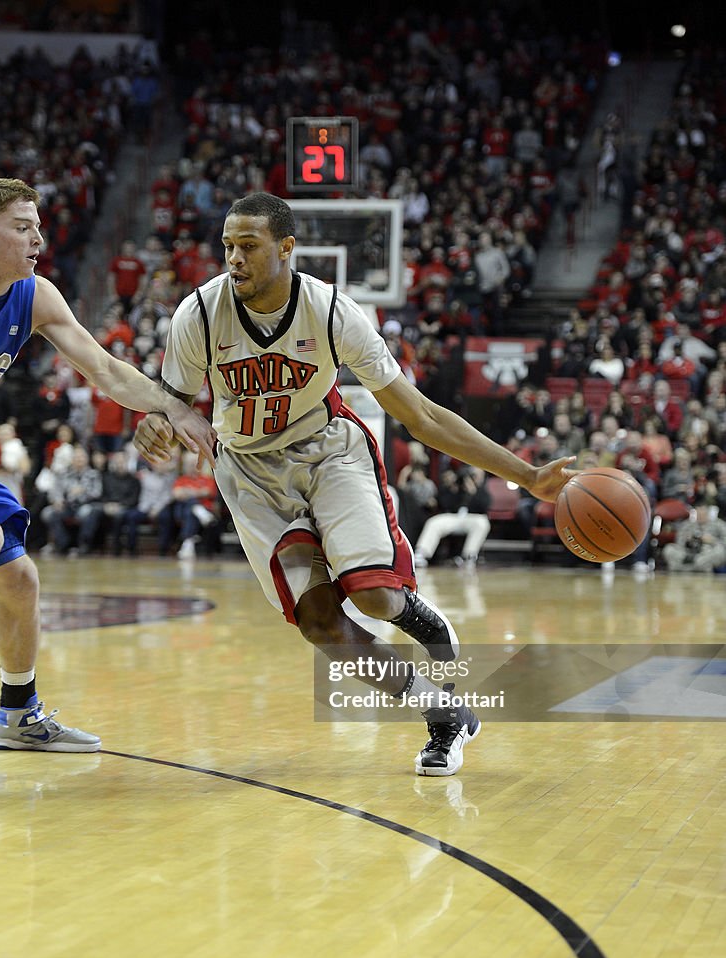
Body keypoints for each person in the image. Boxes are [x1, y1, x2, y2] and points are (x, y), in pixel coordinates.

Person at [133, 193, 574, 777]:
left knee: (373, 597)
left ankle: (416, 614)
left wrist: (526, 474)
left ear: (286, 248)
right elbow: (174, 406)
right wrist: (156, 425)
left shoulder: (334, 311)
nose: (233, 259)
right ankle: (443, 714)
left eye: (248, 247)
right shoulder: (198, 314)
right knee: (319, 624)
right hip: (249, 471)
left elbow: (423, 417)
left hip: (328, 454)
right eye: (227, 247)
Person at [0, 178, 215, 752]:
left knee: (19, 579)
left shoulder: (35, 296)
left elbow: (106, 370)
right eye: (22, 227)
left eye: (38, 225)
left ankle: (17, 715)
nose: (39, 237)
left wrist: (174, 408)